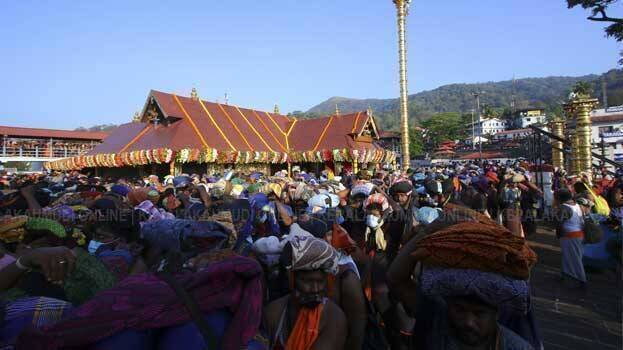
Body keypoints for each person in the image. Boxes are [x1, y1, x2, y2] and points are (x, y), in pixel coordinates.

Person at [263, 232, 346, 350]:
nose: (316, 289)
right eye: (308, 281)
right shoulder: (274, 313)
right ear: (292, 279)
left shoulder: (333, 318)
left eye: (320, 281)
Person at [553, 189, 587, 288]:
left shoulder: (564, 208)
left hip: (570, 236)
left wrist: (559, 235)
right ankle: (565, 275)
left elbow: (559, 223)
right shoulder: (576, 205)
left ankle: (582, 280)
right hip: (578, 235)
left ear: (559, 198)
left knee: (575, 259)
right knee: (570, 257)